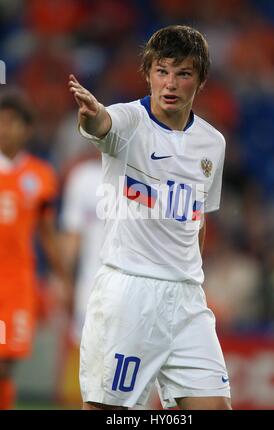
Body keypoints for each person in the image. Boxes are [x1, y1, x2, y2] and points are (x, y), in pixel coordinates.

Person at [69, 24, 231, 410]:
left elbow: (199, 220)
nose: (170, 83)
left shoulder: (213, 144)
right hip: (129, 295)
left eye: (183, 73)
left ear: (201, 80)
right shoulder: (128, 122)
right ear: (148, 74)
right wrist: (92, 116)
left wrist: (190, 275)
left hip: (188, 300)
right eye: (162, 71)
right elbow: (101, 124)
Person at [0, 92, 70, 409]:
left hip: (17, 283)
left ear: (26, 130)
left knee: (6, 365)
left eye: (12, 123)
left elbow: (47, 233)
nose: (4, 129)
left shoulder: (40, 176)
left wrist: (62, 278)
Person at [58, 150, 104, 405]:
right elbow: (72, 234)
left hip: (133, 283)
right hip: (91, 283)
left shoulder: (142, 171)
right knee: (86, 354)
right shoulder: (83, 178)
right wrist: (65, 282)